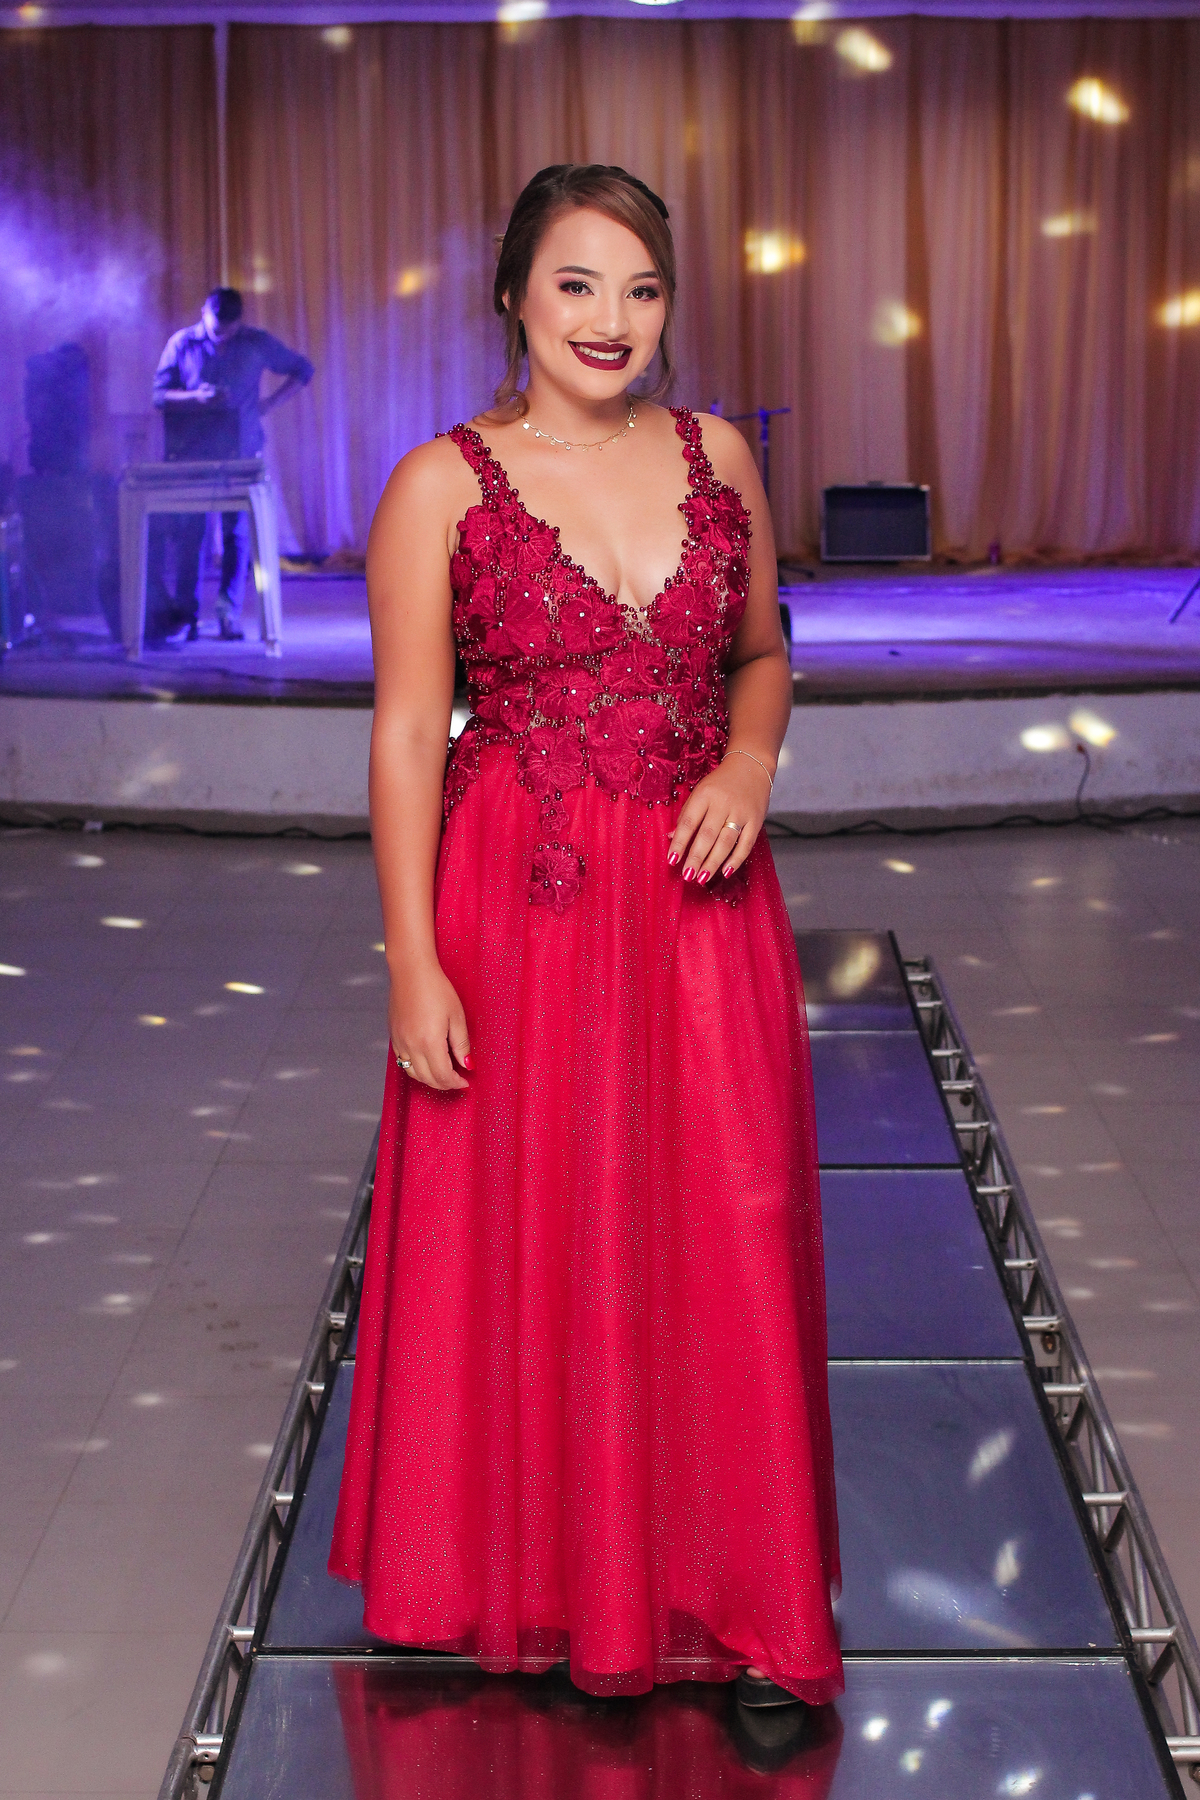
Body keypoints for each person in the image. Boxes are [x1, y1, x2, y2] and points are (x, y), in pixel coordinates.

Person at [329, 165, 843, 1721]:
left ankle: (751, 1608)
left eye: (642, 288)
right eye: (577, 283)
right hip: (521, 903)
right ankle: (521, 1582)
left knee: (728, 1222)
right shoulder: (439, 485)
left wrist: (749, 764)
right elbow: (407, 735)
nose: (611, 319)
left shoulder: (718, 458)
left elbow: (762, 655)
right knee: (530, 1231)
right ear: (513, 296)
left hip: (700, 901)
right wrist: (412, 959)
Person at [147, 287, 313, 644]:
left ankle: (227, 614)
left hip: (240, 450)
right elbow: (158, 396)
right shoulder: (182, 343)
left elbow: (303, 369)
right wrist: (196, 397)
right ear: (204, 313)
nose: (221, 335)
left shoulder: (255, 341)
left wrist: (268, 404)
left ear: (240, 321)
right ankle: (186, 616)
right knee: (190, 534)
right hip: (192, 452)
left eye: (228, 329)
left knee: (235, 535)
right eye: (215, 328)